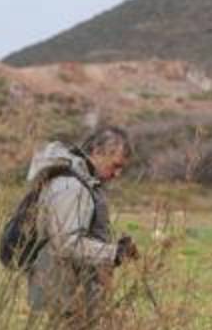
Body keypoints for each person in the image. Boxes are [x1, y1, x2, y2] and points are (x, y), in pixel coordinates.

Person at [25, 126, 138, 318]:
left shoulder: (83, 183)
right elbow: (67, 243)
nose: (117, 174)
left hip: (69, 296)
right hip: (63, 299)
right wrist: (113, 253)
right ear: (97, 152)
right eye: (116, 165)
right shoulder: (71, 186)